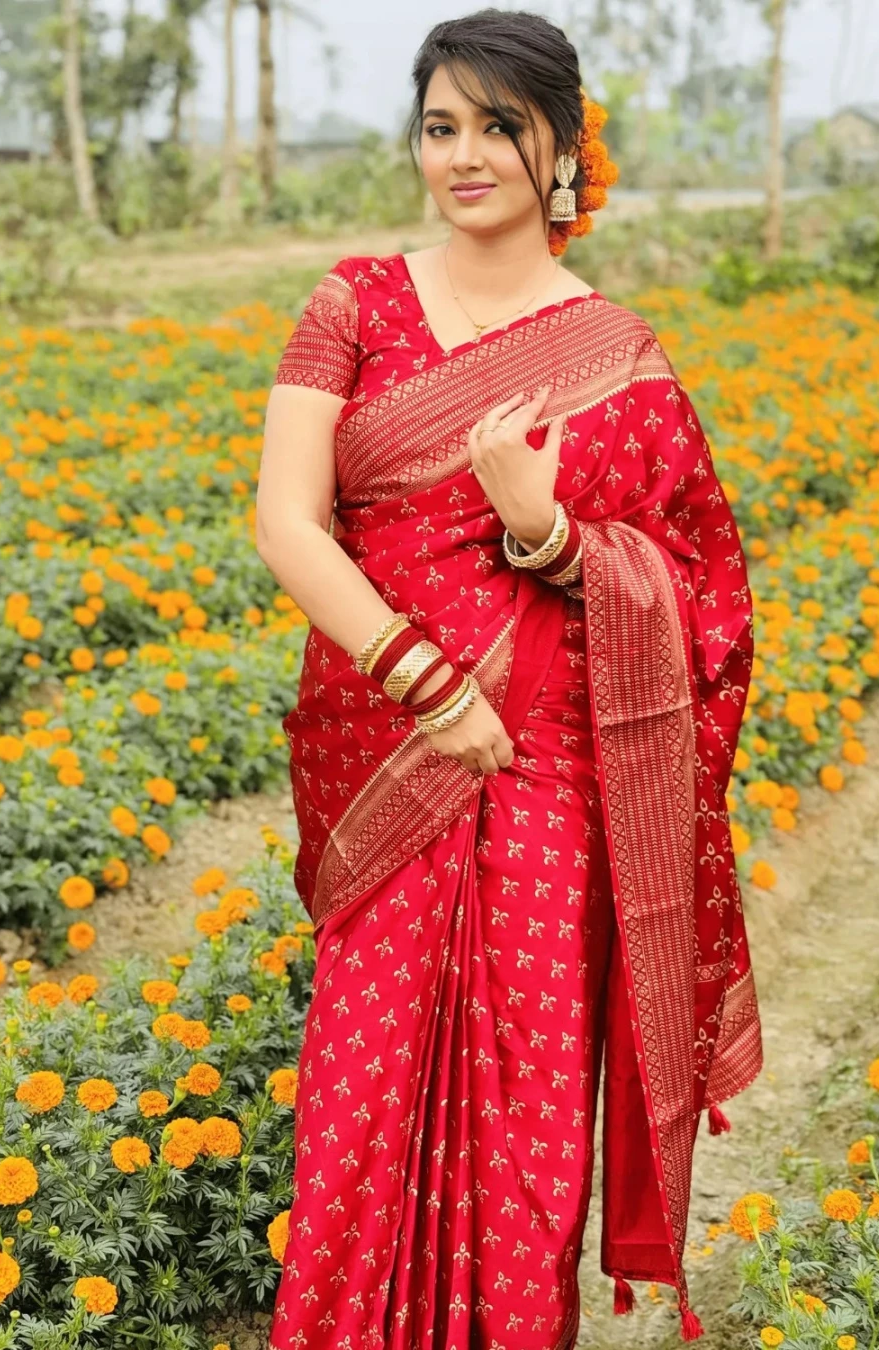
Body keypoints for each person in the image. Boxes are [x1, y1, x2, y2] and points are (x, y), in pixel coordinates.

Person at [255, 9, 761, 1349]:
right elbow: (287, 523)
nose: (463, 155)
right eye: (440, 127)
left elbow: (705, 593)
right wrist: (426, 677)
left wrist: (541, 530)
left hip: (556, 776)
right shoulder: (353, 303)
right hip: (393, 752)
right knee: (357, 1105)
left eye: (498, 126)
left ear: (563, 149)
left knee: (529, 1119)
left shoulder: (622, 353)